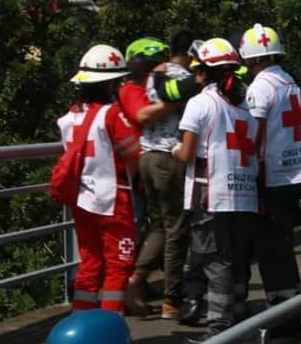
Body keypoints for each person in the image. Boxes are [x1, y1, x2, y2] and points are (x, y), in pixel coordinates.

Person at [173, 38, 258, 343]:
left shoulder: (200, 104)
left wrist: (173, 149)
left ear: (206, 73)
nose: (195, 76)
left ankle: (219, 331)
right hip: (245, 194)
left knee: (216, 264)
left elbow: (186, 154)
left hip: (211, 195)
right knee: (236, 262)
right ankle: (237, 319)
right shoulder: (244, 106)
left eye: (197, 71)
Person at [57, 44, 141, 314]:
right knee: (119, 264)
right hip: (113, 199)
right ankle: (111, 326)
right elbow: (134, 153)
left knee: (90, 262)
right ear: (110, 84)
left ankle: (81, 323)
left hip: (81, 199)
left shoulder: (69, 117)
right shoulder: (112, 115)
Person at [241, 23, 301, 339]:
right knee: (283, 246)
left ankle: (282, 318)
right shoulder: (290, 82)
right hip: (293, 174)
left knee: (271, 251)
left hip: (269, 178)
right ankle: (291, 308)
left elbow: (252, 136)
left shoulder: (260, 88)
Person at [120, 32, 193, 319]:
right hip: (168, 156)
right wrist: (193, 84)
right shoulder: (177, 75)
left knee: (162, 226)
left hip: (148, 157)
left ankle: (137, 280)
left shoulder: (152, 78)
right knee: (176, 228)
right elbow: (144, 115)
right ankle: (170, 299)